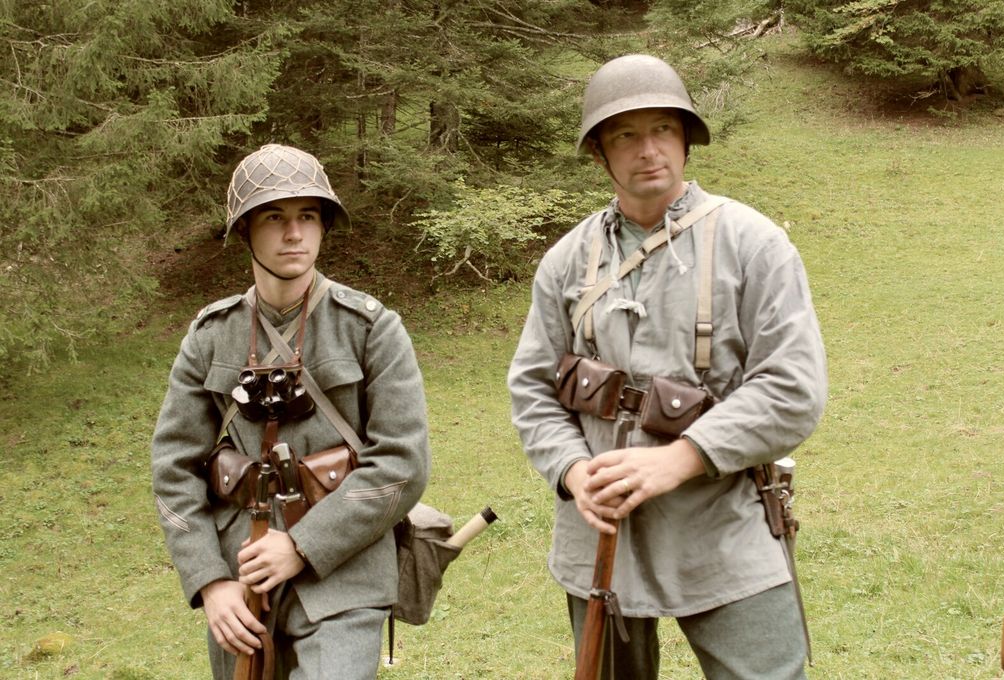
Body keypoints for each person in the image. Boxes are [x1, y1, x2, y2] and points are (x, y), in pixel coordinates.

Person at [507, 55, 827, 679]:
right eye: (625, 134)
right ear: (600, 152)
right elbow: (533, 387)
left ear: (685, 139)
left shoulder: (753, 244)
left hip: (723, 521)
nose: (647, 150)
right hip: (601, 527)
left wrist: (678, 459)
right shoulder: (568, 261)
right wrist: (573, 473)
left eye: (662, 130)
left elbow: (793, 388)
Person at [152, 144, 430, 679]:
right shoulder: (210, 337)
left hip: (344, 575)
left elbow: (403, 462)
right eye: (274, 217)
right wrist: (210, 582)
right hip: (241, 580)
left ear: (324, 225)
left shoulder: (371, 328)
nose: (294, 233)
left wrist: (303, 545)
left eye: (307, 216)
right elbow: (173, 470)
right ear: (246, 233)